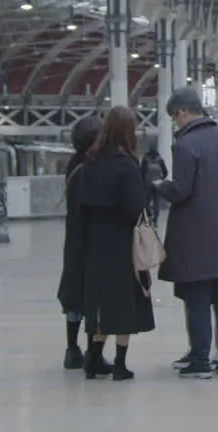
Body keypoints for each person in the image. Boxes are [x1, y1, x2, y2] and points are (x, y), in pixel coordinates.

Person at [154, 87, 218, 379]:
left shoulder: (186, 145)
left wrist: (159, 186)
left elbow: (182, 190)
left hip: (196, 237)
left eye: (174, 117)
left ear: (182, 112)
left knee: (196, 297)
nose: (175, 123)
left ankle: (200, 359)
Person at [66, 106, 155, 381]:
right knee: (123, 303)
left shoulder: (90, 163)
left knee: (99, 303)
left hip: (94, 244)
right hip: (121, 245)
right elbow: (135, 209)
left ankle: (93, 358)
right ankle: (120, 364)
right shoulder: (126, 165)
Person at [57, 114, 108, 373]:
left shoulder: (74, 164)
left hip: (74, 239)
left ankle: (71, 349)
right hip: (93, 241)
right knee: (93, 297)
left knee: (74, 296)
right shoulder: (92, 168)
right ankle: (91, 352)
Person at [140, 144, 169, 224]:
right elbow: (165, 172)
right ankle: (155, 220)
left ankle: (148, 217)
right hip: (157, 185)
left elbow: (141, 171)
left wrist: (143, 182)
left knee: (146, 202)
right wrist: (160, 179)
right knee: (157, 203)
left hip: (147, 184)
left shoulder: (145, 159)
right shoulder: (160, 160)